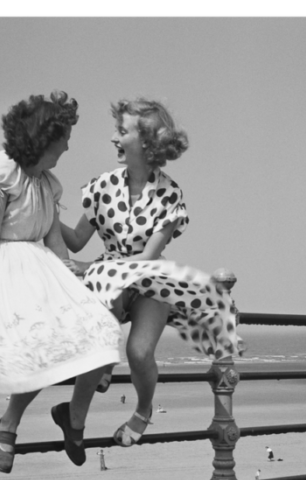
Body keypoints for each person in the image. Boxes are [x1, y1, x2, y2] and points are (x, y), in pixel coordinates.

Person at [0, 91, 122, 474]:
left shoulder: (48, 184)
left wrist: (75, 278)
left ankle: (73, 414)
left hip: (44, 268)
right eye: (63, 137)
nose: (67, 145)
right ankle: (8, 425)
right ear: (43, 139)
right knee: (41, 341)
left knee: (102, 328)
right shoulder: (1, 172)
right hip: (12, 268)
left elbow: (56, 241)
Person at [61, 98, 243, 447]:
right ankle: (86, 397)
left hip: (149, 281)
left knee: (140, 353)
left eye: (121, 131)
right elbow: (77, 239)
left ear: (145, 142)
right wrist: (43, 210)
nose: (114, 138)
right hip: (109, 281)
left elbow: (147, 257)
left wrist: (91, 269)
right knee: (103, 313)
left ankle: (142, 411)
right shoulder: (102, 186)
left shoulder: (169, 194)